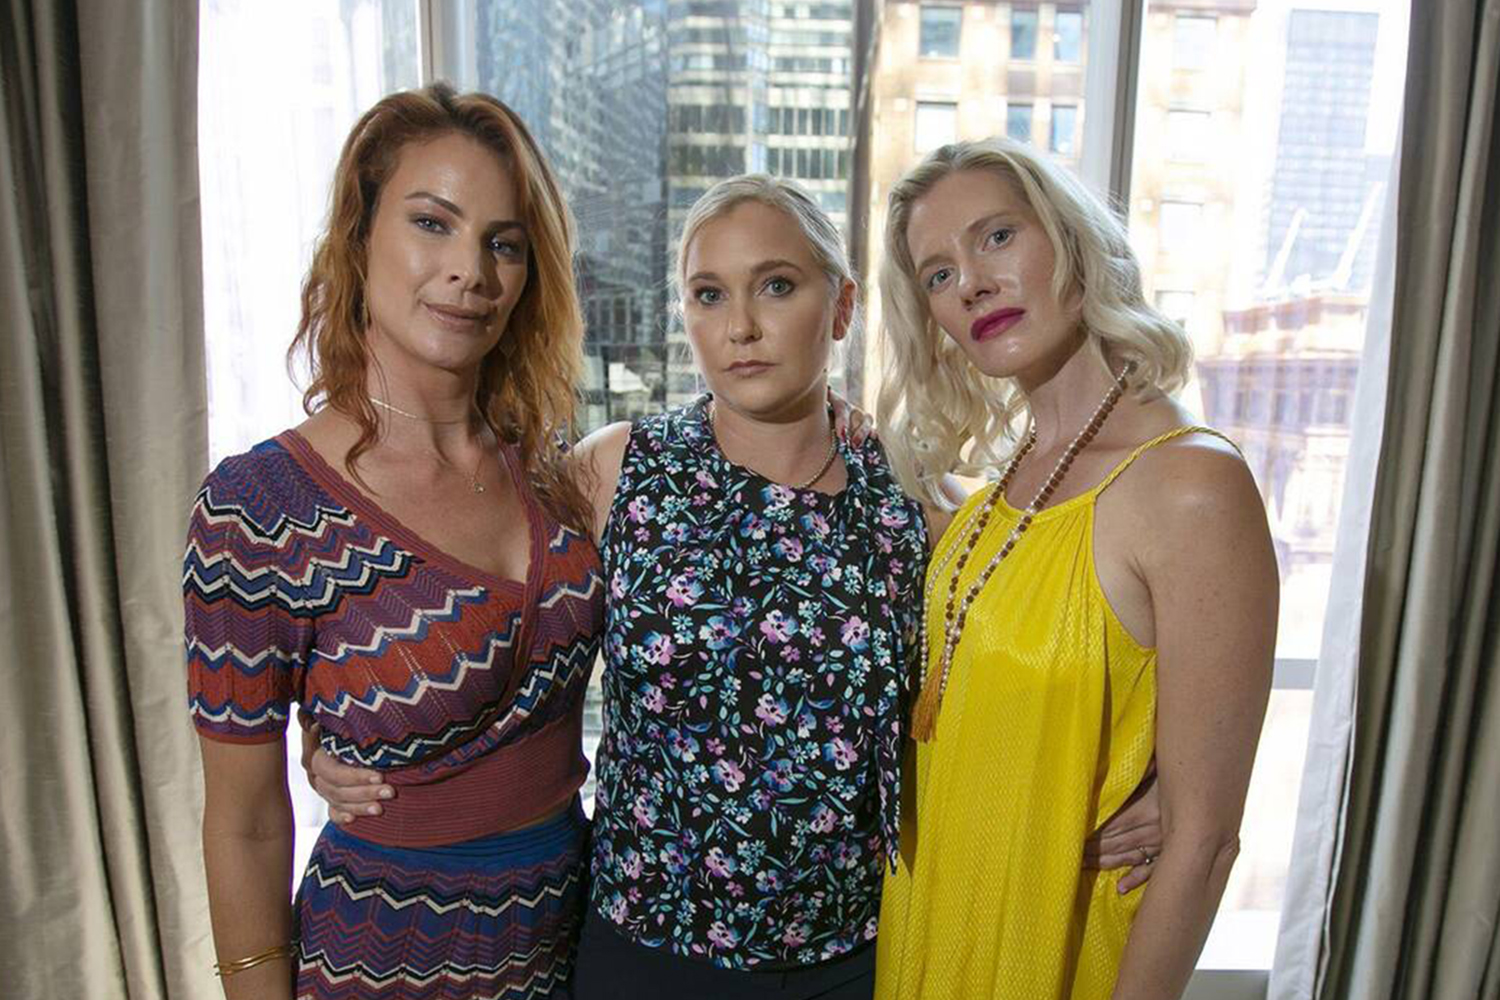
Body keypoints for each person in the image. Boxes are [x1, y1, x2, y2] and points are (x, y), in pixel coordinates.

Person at [309, 173, 1166, 998]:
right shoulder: (617, 473)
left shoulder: (919, 502)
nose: (741, 326)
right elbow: (460, 613)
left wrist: (1155, 775)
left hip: (852, 959)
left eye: (777, 286)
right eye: (708, 295)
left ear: (841, 307)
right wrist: (332, 730)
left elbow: (1035, 665)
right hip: (642, 949)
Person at [183, 84, 602, 1000]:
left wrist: (827, 419)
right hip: (384, 958)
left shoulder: (555, 473)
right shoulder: (259, 509)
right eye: (431, 223)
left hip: (579, 940)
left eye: (503, 243)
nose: (472, 272)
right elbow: (246, 824)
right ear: (358, 236)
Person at [870, 137, 1279, 1000]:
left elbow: (1204, 844)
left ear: (1072, 240)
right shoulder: (992, 496)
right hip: (933, 925)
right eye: (937, 273)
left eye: (996, 238)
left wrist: (1175, 783)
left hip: (1054, 949)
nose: (971, 283)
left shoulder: (1190, 483)